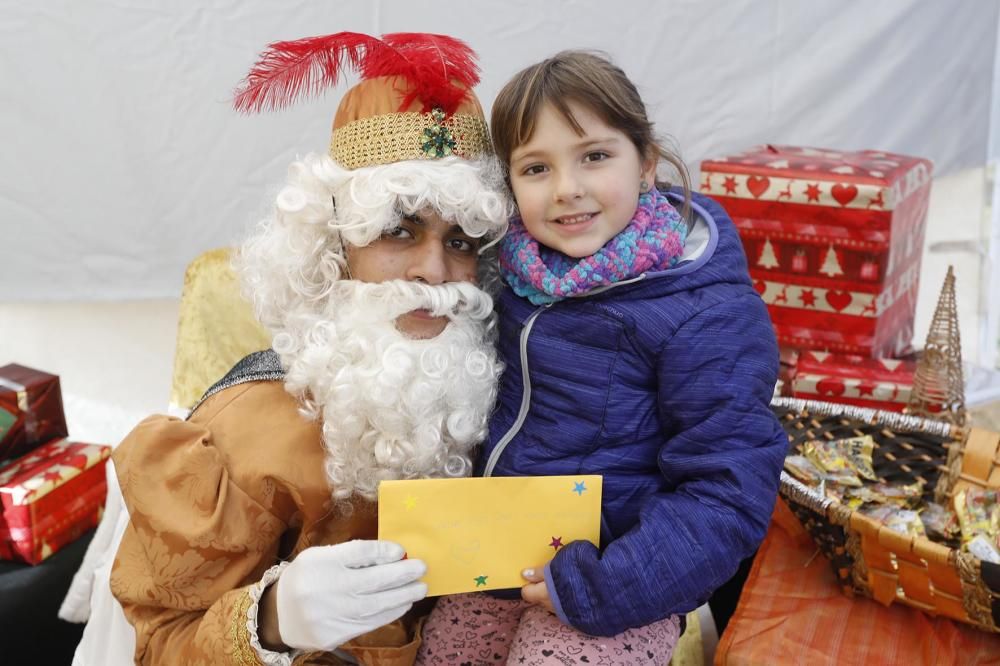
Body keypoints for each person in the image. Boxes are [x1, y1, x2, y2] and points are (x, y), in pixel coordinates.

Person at [107, 32, 509, 665]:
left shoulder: (505, 385)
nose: (434, 271)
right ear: (333, 248)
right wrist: (271, 620)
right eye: (398, 231)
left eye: (460, 241)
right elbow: (159, 644)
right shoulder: (244, 429)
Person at [417, 51, 787, 664]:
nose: (567, 189)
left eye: (594, 156)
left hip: (620, 581)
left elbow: (728, 490)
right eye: (536, 167)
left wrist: (602, 586)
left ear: (645, 163)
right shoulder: (512, 276)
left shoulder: (705, 311)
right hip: (497, 554)